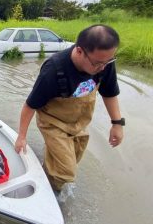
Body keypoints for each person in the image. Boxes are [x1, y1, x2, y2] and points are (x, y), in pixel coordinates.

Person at [14, 24, 124, 195]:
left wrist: (117, 124)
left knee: (73, 159)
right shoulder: (54, 70)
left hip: (79, 122)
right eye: (98, 63)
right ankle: (49, 194)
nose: (103, 67)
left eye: (108, 61)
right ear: (80, 51)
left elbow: (109, 92)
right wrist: (21, 137)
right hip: (53, 122)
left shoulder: (104, 63)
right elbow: (30, 106)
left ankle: (48, 170)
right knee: (66, 170)